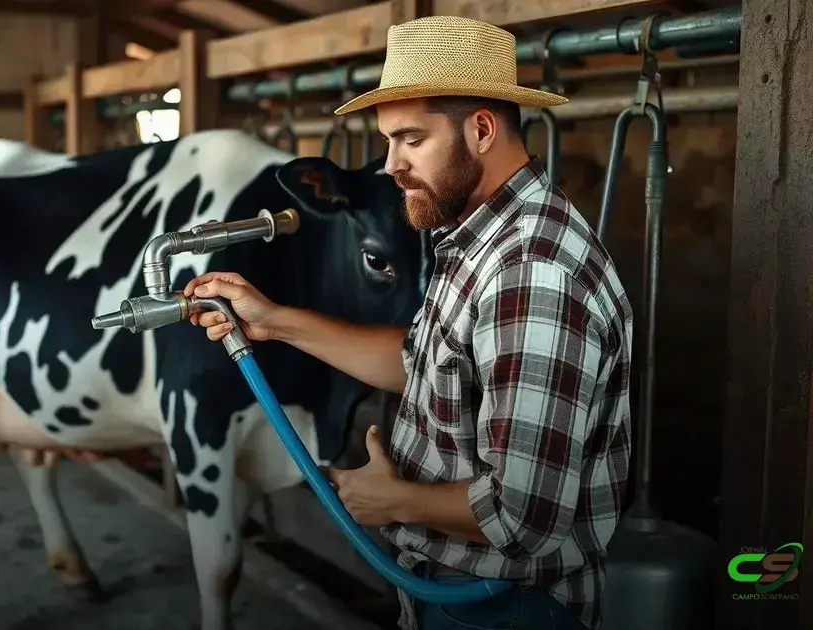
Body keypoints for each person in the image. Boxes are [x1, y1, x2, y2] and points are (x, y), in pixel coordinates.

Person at [183, 15, 633, 630]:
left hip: (500, 607)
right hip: (463, 593)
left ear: (480, 130)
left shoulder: (531, 274)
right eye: (388, 140)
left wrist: (394, 501)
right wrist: (275, 322)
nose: (392, 164)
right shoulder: (480, 236)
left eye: (411, 139)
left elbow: (525, 515)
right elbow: (421, 362)